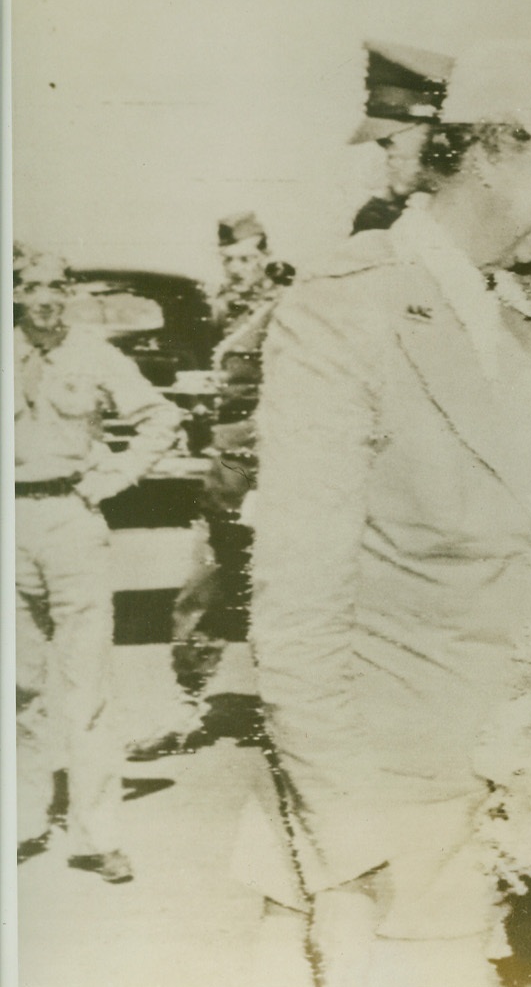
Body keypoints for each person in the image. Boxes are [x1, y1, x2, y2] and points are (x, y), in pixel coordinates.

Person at [247, 41, 531, 987]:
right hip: (390, 825)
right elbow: (298, 609)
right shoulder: (345, 307)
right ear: (491, 151)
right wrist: (347, 848)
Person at [14, 244, 183, 883]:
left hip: (71, 519)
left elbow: (160, 416)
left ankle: (97, 835)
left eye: (56, 286)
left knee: (86, 683)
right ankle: (23, 819)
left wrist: (111, 478)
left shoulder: (93, 354)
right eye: (31, 286)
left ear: (70, 293)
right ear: (16, 292)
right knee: (19, 683)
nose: (45, 298)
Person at [128, 212, 294, 761]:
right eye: (229, 260)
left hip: (266, 466)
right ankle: (186, 707)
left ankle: (291, 714)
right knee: (201, 588)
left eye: (246, 258)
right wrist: (205, 395)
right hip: (227, 468)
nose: (238, 269)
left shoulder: (287, 307)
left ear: (265, 256)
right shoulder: (227, 310)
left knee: (276, 589)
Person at [348, 41, 453, 235]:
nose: (389, 149)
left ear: (434, 128)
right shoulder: (381, 216)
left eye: (392, 136)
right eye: (384, 141)